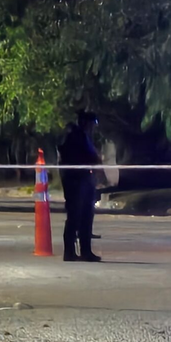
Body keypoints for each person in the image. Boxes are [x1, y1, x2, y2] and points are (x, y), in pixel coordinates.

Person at [58, 110, 102, 262]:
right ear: (85, 123)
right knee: (75, 216)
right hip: (76, 181)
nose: (93, 127)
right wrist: (94, 160)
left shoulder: (83, 136)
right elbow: (83, 157)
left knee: (86, 216)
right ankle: (70, 252)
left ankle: (85, 250)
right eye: (92, 124)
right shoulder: (75, 137)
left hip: (84, 179)